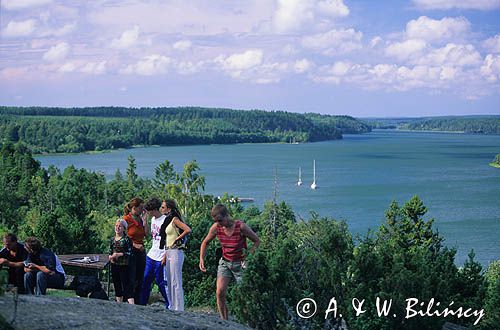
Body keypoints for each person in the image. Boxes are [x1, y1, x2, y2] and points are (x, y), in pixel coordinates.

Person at [199, 204, 260, 320]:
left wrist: (248, 256)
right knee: (219, 292)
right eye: (216, 221)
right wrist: (201, 258)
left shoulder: (241, 227)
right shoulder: (216, 227)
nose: (219, 223)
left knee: (245, 295)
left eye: (220, 220)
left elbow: (256, 241)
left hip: (240, 264)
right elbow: (205, 242)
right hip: (225, 262)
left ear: (226, 215)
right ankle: (224, 321)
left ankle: (246, 321)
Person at [159, 199, 191, 311]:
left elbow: (187, 229)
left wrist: (178, 239)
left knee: (176, 280)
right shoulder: (167, 221)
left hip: (176, 251)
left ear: (169, 209)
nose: (161, 209)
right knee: (169, 279)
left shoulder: (174, 219)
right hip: (168, 251)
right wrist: (164, 255)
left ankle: (179, 308)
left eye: (163, 207)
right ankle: (172, 306)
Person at [140, 197, 169, 307]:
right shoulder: (152, 220)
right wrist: (145, 222)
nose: (148, 212)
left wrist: (166, 255)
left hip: (161, 255)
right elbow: (148, 236)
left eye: (149, 211)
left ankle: (169, 304)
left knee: (161, 282)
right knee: (146, 279)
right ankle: (142, 303)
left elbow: (168, 239)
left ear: (154, 210)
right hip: (152, 254)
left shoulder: (165, 220)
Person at [123, 197, 148, 304]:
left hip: (141, 252)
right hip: (131, 251)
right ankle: (128, 300)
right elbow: (123, 237)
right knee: (131, 278)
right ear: (134, 208)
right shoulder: (126, 219)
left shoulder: (140, 219)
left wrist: (145, 221)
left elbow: (147, 235)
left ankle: (138, 301)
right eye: (141, 208)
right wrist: (134, 245)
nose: (143, 210)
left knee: (140, 277)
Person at [109, 219, 134, 304]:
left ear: (124, 228)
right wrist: (111, 256)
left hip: (124, 266)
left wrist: (119, 254)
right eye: (116, 226)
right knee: (117, 286)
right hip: (114, 265)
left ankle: (133, 307)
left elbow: (130, 253)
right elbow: (110, 251)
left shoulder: (127, 240)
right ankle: (118, 306)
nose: (117, 228)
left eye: (120, 226)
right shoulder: (112, 239)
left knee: (127, 287)